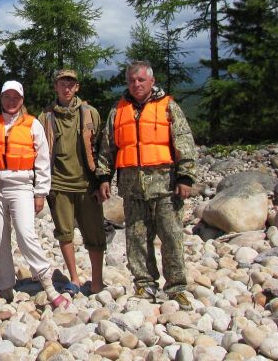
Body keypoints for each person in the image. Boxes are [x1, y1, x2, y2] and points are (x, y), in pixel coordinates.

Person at [96, 60, 197, 310]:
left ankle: (177, 287)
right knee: (137, 238)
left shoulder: (168, 107)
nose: (136, 84)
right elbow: (107, 148)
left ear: (151, 81)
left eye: (141, 80)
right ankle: (144, 284)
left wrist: (185, 176)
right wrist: (103, 177)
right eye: (131, 80)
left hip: (166, 186)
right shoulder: (117, 111)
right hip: (132, 188)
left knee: (171, 237)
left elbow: (184, 141)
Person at [0, 80, 69, 308]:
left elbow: (43, 161)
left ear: (22, 100)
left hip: (22, 186)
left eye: (16, 97)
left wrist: (40, 192)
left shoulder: (33, 125)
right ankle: (5, 287)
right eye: (7, 97)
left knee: (25, 233)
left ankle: (47, 284)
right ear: (1, 99)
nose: (11, 101)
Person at [41, 69, 107, 295]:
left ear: (77, 87)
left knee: (95, 234)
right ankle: (75, 278)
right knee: (64, 233)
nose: (66, 88)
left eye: (71, 84)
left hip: (87, 184)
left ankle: (97, 281)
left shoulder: (90, 113)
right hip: (58, 184)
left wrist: (102, 182)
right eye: (62, 84)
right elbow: (39, 153)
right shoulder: (46, 117)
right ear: (56, 87)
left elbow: (101, 148)